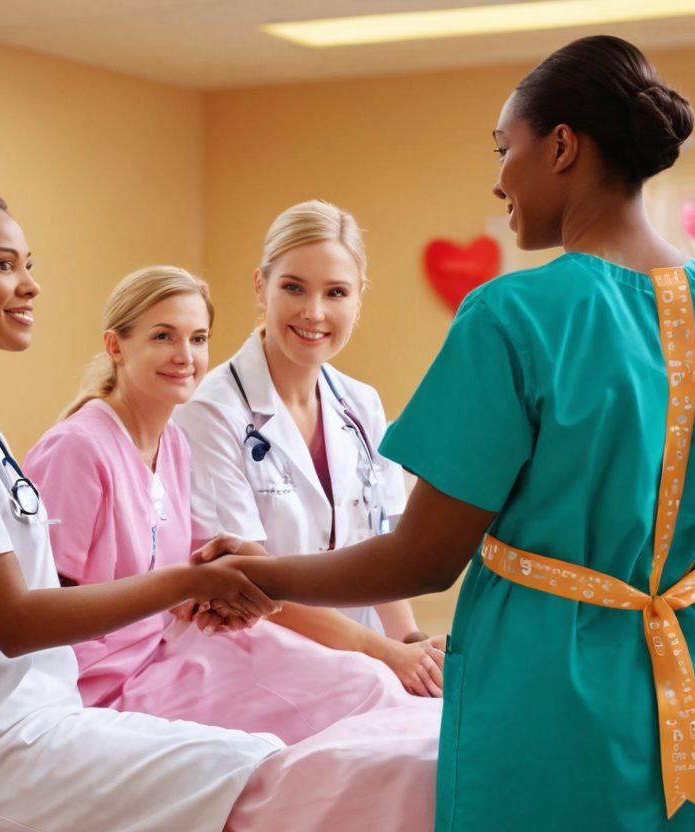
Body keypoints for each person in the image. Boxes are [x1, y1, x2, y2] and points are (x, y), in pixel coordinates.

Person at [196, 36, 695, 831]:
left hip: (550, 704)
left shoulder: (513, 316)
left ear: (561, 146)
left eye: (506, 149)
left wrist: (264, 578)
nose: (499, 177)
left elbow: (425, 558)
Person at [0, 182, 282, 831]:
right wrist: (188, 580)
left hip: (19, 725)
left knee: (261, 763)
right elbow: (13, 619)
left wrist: (196, 582)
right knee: (252, 773)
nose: (31, 285)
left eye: (28, 265)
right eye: (5, 264)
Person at [24, 266, 438, 829]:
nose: (185, 355)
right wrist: (186, 590)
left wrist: (225, 577)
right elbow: (43, 610)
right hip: (110, 681)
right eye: (163, 336)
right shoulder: (77, 448)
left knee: (364, 685)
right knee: (333, 729)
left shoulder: (171, 441)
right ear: (115, 346)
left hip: (179, 646)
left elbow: (191, 565)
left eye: (197, 339)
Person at [175, 199, 445, 697]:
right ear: (261, 287)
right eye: (293, 287)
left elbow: (387, 543)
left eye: (336, 292)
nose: (314, 312)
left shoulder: (361, 404)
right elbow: (244, 582)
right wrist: (383, 652)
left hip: (362, 660)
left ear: (358, 298)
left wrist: (411, 642)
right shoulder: (208, 412)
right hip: (257, 663)